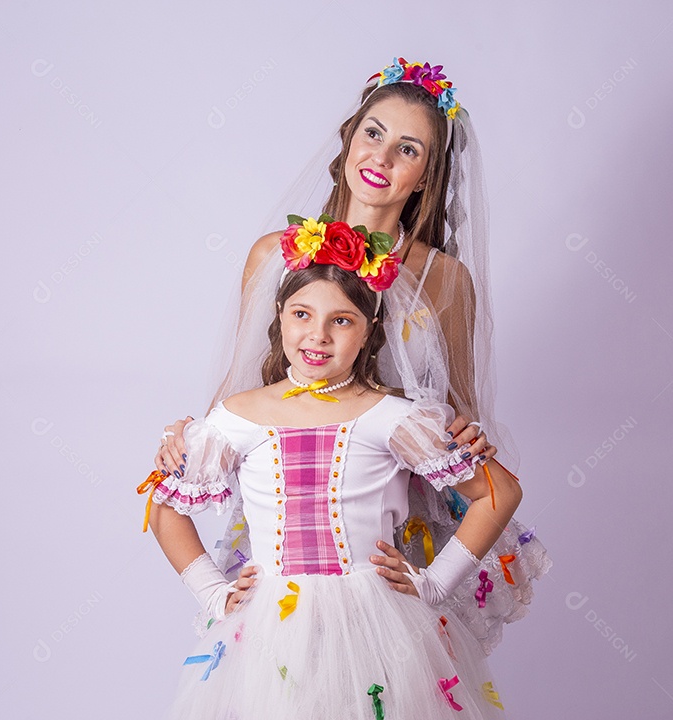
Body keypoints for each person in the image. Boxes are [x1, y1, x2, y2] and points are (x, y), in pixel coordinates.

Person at [154, 60, 536, 622]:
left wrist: (465, 434)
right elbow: (239, 386)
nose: (381, 158)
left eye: (408, 149)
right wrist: (188, 440)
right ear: (350, 139)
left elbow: (458, 408)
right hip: (294, 503)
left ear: (427, 176)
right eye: (373, 134)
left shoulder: (446, 280)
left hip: (392, 524)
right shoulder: (272, 256)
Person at [142, 219, 541, 718]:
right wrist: (213, 593)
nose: (318, 335)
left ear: (370, 330)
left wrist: (435, 582)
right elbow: (164, 509)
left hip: (376, 624)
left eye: (342, 320)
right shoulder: (237, 417)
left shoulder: (395, 417)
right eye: (302, 314)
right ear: (279, 316)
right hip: (269, 628)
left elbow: (497, 492)